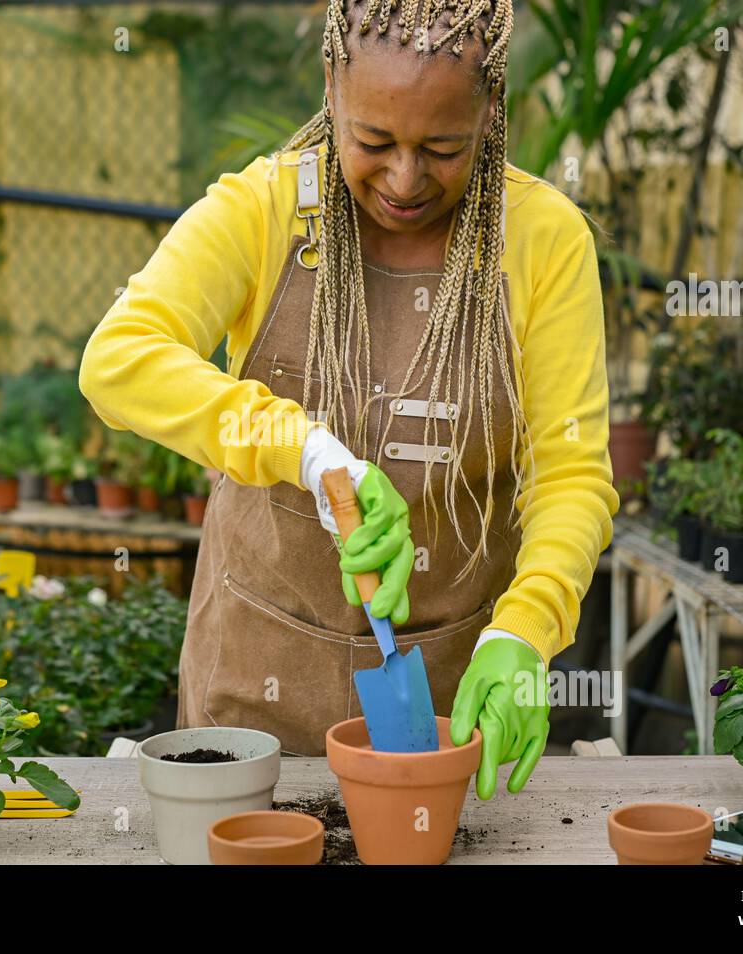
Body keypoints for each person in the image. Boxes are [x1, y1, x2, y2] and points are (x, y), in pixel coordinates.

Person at [80, 0, 619, 799]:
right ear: (330, 88)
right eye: (373, 142)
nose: (405, 180)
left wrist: (525, 633)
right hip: (254, 699)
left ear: (491, 110)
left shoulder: (542, 239)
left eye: (444, 148)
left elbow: (571, 475)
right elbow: (119, 361)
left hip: (446, 714)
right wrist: (306, 449)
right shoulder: (260, 212)